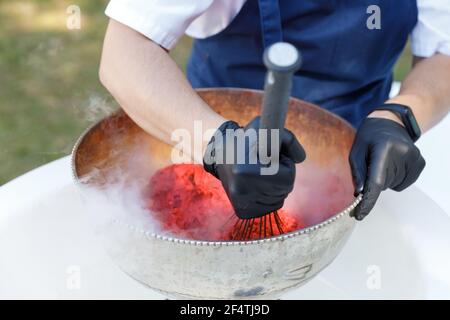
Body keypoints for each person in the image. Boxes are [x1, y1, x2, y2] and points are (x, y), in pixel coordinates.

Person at [99, 0, 450, 220]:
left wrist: (399, 116)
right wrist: (221, 145)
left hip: (359, 164)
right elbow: (126, 52)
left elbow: (444, 50)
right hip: (224, 164)